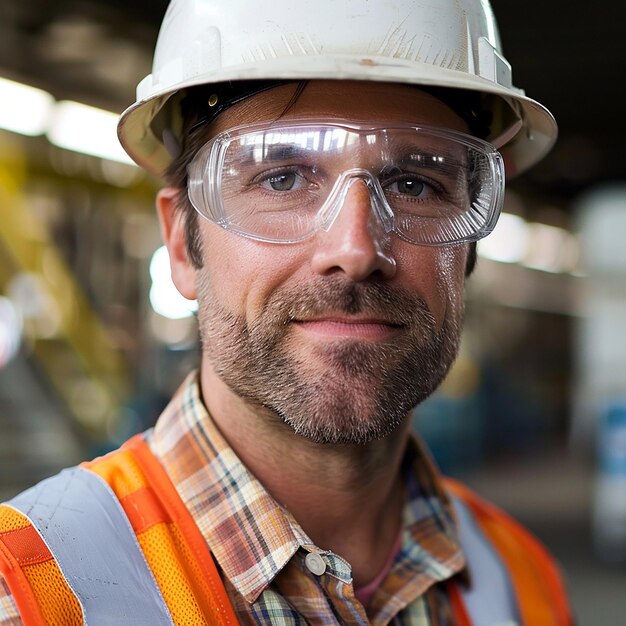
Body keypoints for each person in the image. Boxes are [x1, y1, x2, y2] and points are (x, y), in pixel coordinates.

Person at [0, 0, 572, 623]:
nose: (355, 249)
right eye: (282, 178)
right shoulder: (30, 589)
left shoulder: (522, 582)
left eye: (415, 183)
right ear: (181, 246)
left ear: (467, 255)